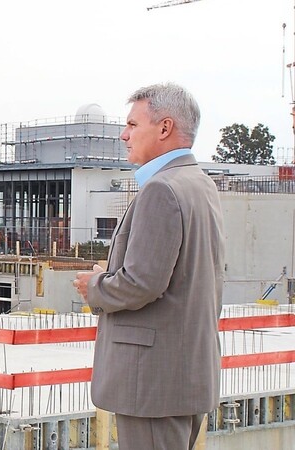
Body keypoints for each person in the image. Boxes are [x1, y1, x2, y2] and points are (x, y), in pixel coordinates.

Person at [74, 83, 224, 450]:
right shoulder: (199, 184)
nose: (124, 135)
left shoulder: (162, 190)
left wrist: (94, 285)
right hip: (182, 374)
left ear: (164, 128)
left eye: (132, 125)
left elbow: (142, 283)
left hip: (153, 384)